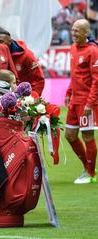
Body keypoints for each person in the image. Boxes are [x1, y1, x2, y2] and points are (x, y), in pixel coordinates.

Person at [65, 19, 98, 184]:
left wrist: (90, 104)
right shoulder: (72, 48)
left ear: (86, 33)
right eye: (72, 30)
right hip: (74, 101)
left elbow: (96, 80)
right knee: (69, 135)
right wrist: (68, 92)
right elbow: (75, 74)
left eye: (77, 30)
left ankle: (90, 173)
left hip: (86, 102)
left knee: (87, 135)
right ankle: (87, 166)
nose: (74, 33)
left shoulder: (93, 51)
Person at [0, 27, 45, 96]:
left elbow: (39, 79)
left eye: (1, 41)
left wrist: (32, 96)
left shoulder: (27, 55)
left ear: (10, 42)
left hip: (23, 96)